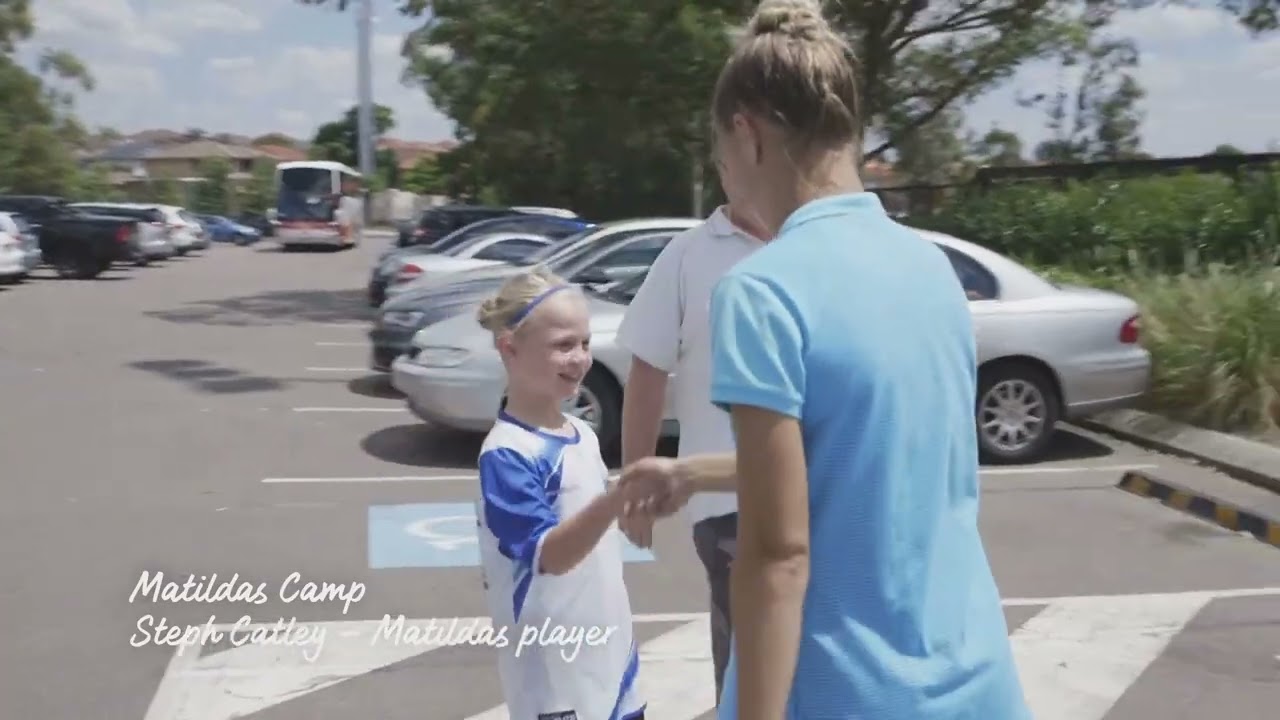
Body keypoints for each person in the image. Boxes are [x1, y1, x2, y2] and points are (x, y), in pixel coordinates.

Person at [619, 1, 1033, 719]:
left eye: (721, 157)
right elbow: (864, 458)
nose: (725, 177)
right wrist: (692, 472)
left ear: (747, 134)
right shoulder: (932, 270)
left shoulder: (761, 290)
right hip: (975, 680)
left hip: (842, 690)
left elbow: (778, 556)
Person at [473, 266, 646, 720]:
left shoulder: (582, 434)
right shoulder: (507, 454)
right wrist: (615, 500)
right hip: (554, 684)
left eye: (585, 343)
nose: (580, 359)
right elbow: (548, 556)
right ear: (509, 348)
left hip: (615, 667)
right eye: (563, 345)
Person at [614, 203, 765, 703]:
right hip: (728, 510)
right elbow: (648, 371)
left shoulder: (815, 242)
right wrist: (638, 481)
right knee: (748, 671)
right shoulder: (689, 255)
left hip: (825, 500)